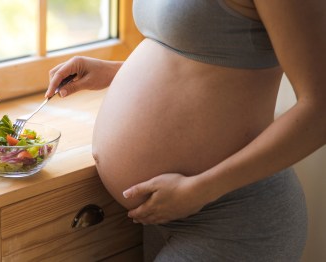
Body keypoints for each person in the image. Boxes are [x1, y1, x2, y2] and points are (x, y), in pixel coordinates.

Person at [45, 0, 325, 261]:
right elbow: (204, 56)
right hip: (166, 213)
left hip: (233, 218)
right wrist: (121, 71)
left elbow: (320, 110)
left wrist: (202, 190)